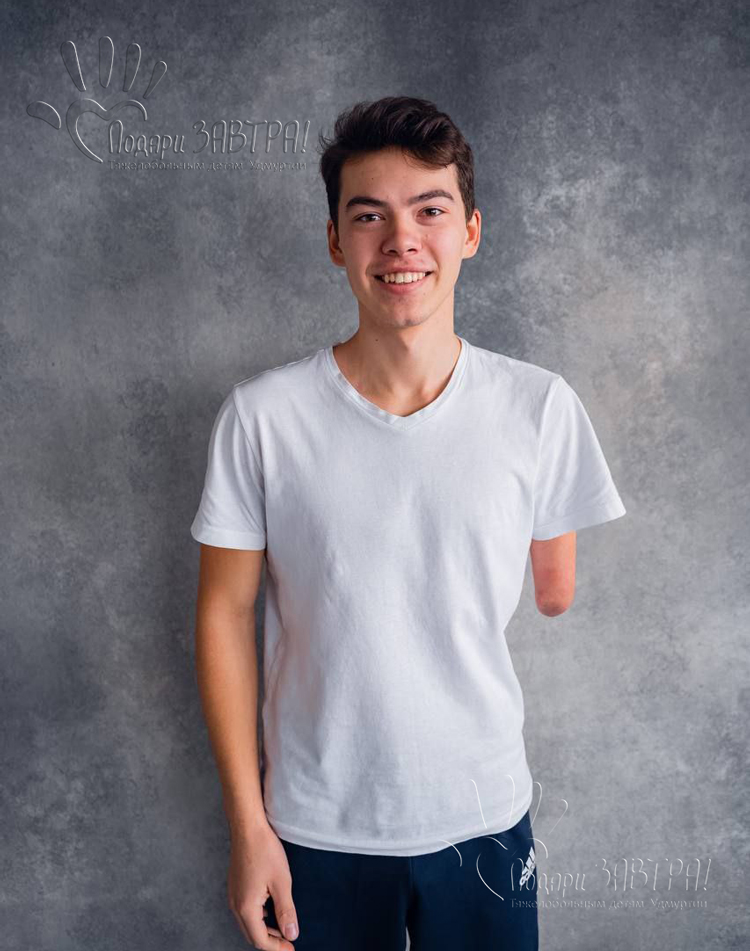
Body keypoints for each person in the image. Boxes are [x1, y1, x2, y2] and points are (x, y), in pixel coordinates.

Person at [190, 96, 626, 950]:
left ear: (470, 230)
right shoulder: (263, 417)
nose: (401, 241)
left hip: (484, 816)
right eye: (369, 217)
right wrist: (248, 826)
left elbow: (555, 592)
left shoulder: (538, 406)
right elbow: (220, 612)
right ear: (334, 240)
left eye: (430, 210)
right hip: (312, 825)